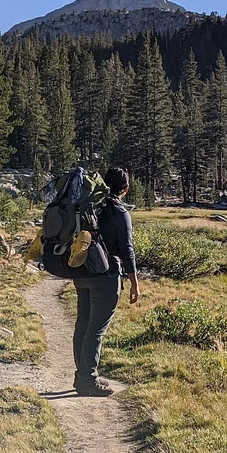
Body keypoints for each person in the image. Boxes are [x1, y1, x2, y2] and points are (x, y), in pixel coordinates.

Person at [73, 167, 140, 396]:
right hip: (106, 275)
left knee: (83, 323)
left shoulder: (90, 206)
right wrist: (134, 283)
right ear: (126, 189)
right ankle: (87, 380)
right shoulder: (119, 213)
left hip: (81, 273)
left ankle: (83, 375)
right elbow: (127, 250)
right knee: (96, 329)